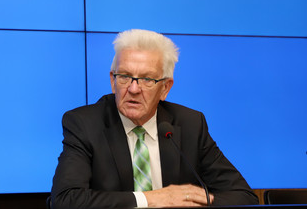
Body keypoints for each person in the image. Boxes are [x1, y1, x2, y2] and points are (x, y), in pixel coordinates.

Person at [50, 29, 258, 208]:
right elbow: (65, 199)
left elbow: (244, 196)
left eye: (147, 79)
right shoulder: (84, 124)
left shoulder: (189, 124)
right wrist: (151, 199)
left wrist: (192, 200)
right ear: (113, 81)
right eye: (124, 76)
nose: (133, 89)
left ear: (165, 88)